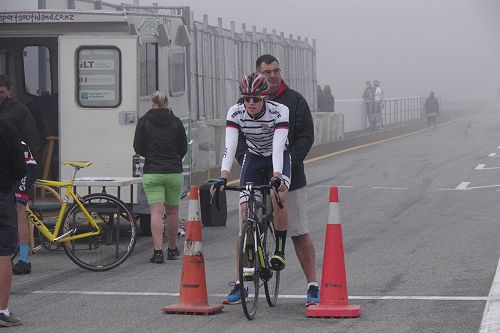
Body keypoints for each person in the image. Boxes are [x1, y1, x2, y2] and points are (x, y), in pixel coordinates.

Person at [236, 54, 319, 306]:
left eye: (276, 71)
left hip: (287, 176)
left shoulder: (294, 101)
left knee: (299, 231)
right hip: (256, 171)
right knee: (245, 227)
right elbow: (237, 137)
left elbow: (306, 136)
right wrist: (244, 159)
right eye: (267, 72)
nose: (272, 76)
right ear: (258, 73)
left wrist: (287, 163)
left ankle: (312, 285)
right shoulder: (246, 102)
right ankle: (241, 284)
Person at [216, 72, 290, 304]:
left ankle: (278, 249)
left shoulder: (280, 111)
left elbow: (278, 148)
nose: (251, 103)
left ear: (265, 98)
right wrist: (223, 176)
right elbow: (230, 146)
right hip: (254, 157)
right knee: (245, 210)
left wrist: (277, 176)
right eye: (246, 98)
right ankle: (250, 258)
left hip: (277, 158)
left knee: (277, 193)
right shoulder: (235, 112)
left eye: (256, 99)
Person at [133, 91, 188, 263]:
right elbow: (183, 147)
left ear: (152, 103)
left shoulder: (144, 121)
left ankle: (157, 252)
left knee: (156, 212)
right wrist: (173, 157)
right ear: (167, 103)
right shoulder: (176, 121)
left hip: (153, 172)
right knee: (172, 213)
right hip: (173, 172)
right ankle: (172, 249)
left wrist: (150, 155)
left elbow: (137, 147)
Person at [0, 74, 40, 275]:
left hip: (24, 164)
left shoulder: (16, 111)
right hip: (10, 166)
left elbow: (32, 140)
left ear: (9, 92)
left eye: (1, 92)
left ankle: (24, 259)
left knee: (18, 212)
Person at [0, 117, 27, 327]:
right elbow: (20, 167)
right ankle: (2, 310)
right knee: (3, 254)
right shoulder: (7, 125)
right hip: (1, 194)